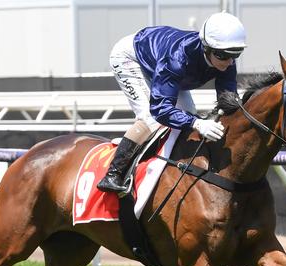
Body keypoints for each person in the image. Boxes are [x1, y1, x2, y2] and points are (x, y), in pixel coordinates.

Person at [96, 12, 246, 193]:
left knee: (188, 111)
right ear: (206, 47)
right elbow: (160, 109)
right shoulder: (177, 58)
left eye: (236, 54)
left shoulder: (226, 59)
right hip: (132, 57)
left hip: (164, 65)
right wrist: (197, 123)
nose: (230, 62)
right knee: (150, 118)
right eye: (223, 55)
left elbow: (228, 99)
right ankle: (114, 173)